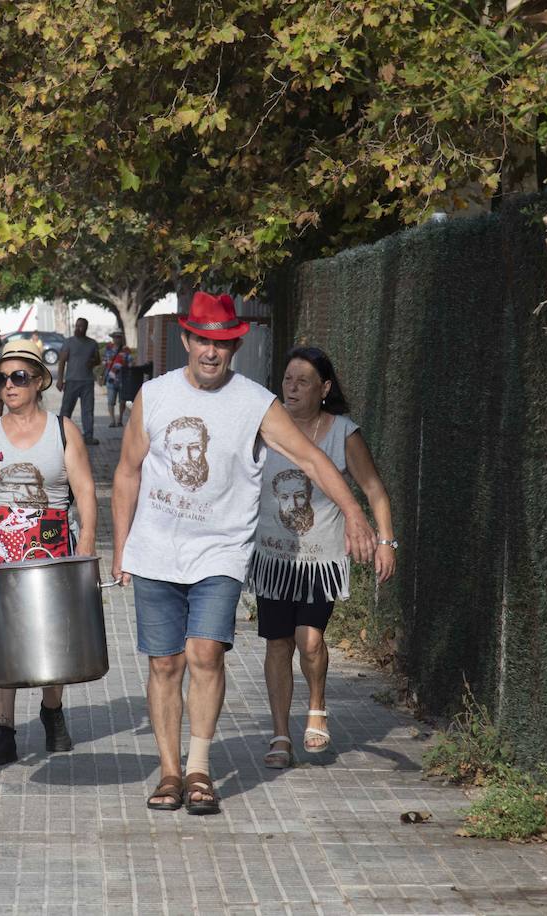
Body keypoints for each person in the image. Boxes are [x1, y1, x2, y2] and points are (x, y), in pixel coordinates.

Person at [111, 292, 375, 816]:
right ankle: (169, 771)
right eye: (203, 340)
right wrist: (120, 548)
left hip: (221, 552)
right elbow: (127, 471)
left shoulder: (255, 403)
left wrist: (354, 511)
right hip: (156, 550)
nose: (211, 352)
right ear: (187, 340)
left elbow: (313, 459)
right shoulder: (154, 395)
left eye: (222, 343)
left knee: (205, 653)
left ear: (235, 344)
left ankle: (200, 768)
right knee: (165, 662)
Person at [249, 346, 396, 767]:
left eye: (303, 381)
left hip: (321, 558)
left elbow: (374, 490)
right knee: (278, 643)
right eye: (287, 380)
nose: (291, 388)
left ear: (324, 388)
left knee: (309, 639)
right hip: (273, 558)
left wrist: (386, 540)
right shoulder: (264, 429)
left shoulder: (342, 432)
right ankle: (280, 736)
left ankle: (316, 705)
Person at [0, 339, 98, 765]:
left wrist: (89, 549)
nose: (9, 385)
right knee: (1, 637)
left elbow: (86, 491)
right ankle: (4, 730)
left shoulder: (63, 429)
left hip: (52, 540)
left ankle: (52, 712)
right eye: (1, 378)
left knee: (52, 634)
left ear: (40, 381)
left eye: (19, 377)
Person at [57, 317, 101, 444]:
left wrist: (93, 361)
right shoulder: (69, 342)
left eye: (81, 326)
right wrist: (60, 380)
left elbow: (98, 360)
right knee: (66, 409)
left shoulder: (92, 343)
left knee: (88, 410)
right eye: (77, 326)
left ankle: (88, 436)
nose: (78, 328)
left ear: (86, 328)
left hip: (87, 381)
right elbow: (62, 361)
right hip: (71, 381)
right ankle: (61, 435)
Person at [103, 330, 131, 428]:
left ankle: (120, 420)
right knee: (111, 401)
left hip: (123, 379)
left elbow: (130, 363)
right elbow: (105, 362)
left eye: (119, 337)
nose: (117, 339)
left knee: (122, 401)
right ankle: (112, 421)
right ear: (113, 338)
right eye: (115, 337)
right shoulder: (108, 349)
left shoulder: (126, 350)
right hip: (111, 379)